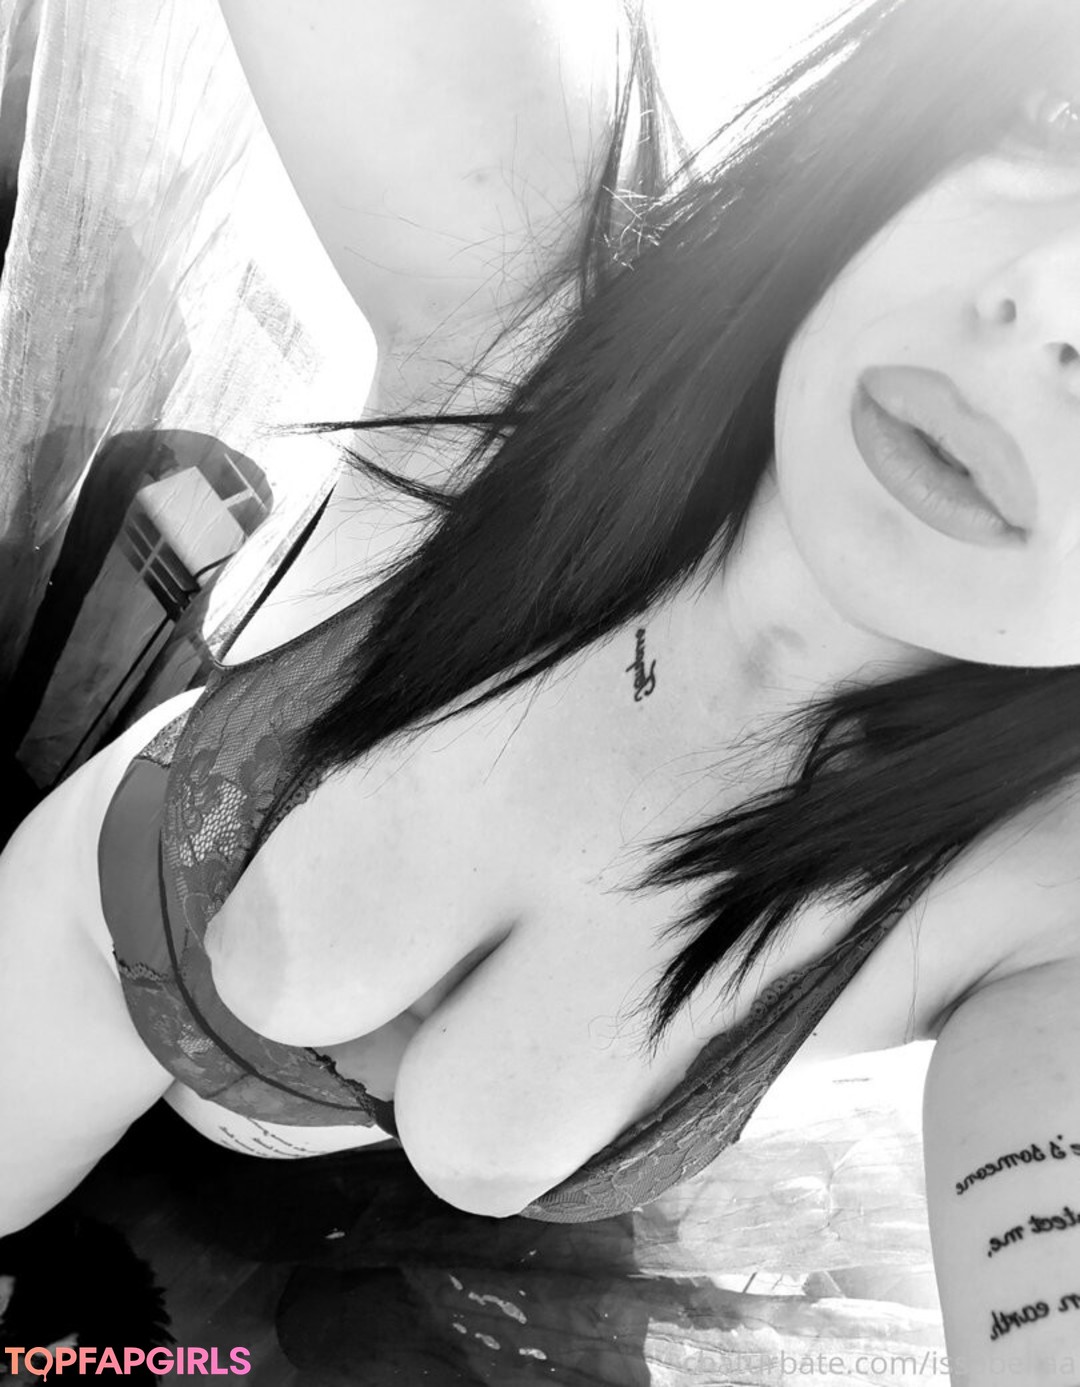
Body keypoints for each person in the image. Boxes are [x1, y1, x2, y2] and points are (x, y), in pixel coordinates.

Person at [4, 0, 1080, 1379]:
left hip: (316, 1194)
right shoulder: (544, 317)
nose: (1056, 296)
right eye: (1063, 119)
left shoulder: (1044, 901)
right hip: (71, 980)